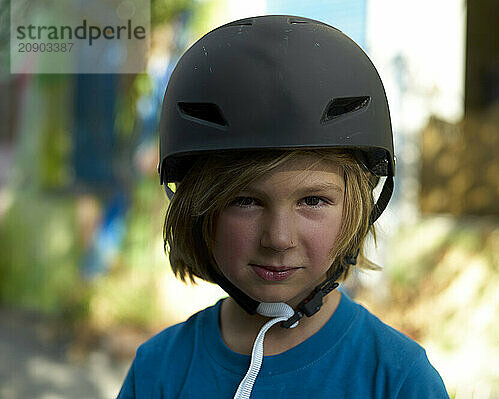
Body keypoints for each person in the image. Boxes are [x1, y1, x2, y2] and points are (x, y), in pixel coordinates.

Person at [117, 15, 450, 399]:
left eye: (313, 200)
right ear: (198, 210)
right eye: (244, 200)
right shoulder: (158, 370)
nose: (278, 239)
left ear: (357, 210)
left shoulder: (398, 380)